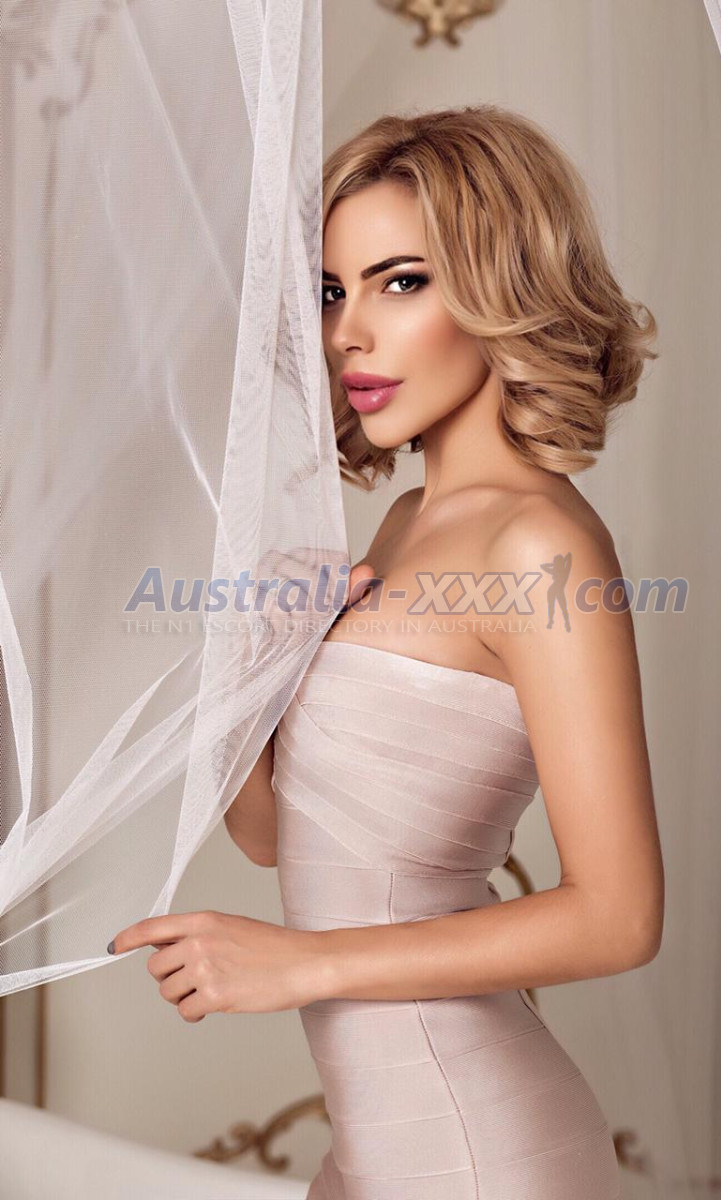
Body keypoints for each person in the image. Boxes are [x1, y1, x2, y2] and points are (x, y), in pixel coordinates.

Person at [111, 104, 664, 1199]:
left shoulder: (538, 544)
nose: (347, 333)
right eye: (332, 290)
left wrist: (301, 965)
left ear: (503, 287)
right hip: (376, 1148)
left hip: (476, 1149)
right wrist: (255, 659)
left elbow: (618, 916)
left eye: (400, 281)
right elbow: (273, 837)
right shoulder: (408, 522)